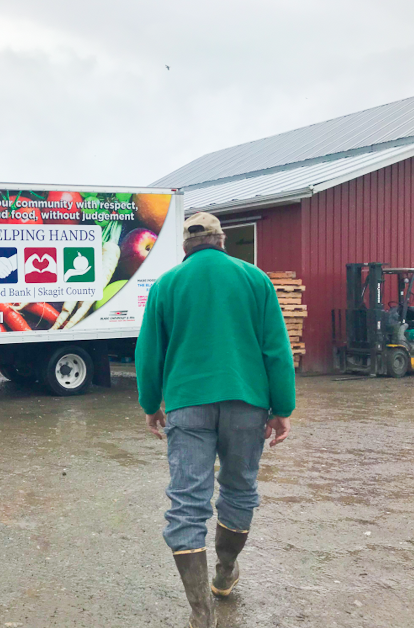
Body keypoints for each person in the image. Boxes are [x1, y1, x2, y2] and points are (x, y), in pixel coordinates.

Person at [134, 212, 295, 628]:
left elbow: (149, 353)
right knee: (239, 490)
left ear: (185, 246)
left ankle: (201, 613)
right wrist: (283, 408)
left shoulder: (167, 285)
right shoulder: (254, 279)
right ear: (221, 240)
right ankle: (224, 574)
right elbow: (276, 348)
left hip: (188, 404)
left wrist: (151, 403)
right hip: (246, 401)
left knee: (187, 502)